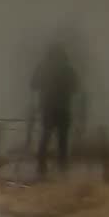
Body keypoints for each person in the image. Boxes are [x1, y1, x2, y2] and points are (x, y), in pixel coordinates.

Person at [31, 42, 79, 178]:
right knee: (62, 138)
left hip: (48, 107)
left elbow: (33, 84)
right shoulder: (68, 68)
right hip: (64, 107)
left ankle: (41, 166)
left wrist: (45, 86)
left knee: (46, 135)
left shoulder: (43, 67)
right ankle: (62, 167)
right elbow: (76, 88)